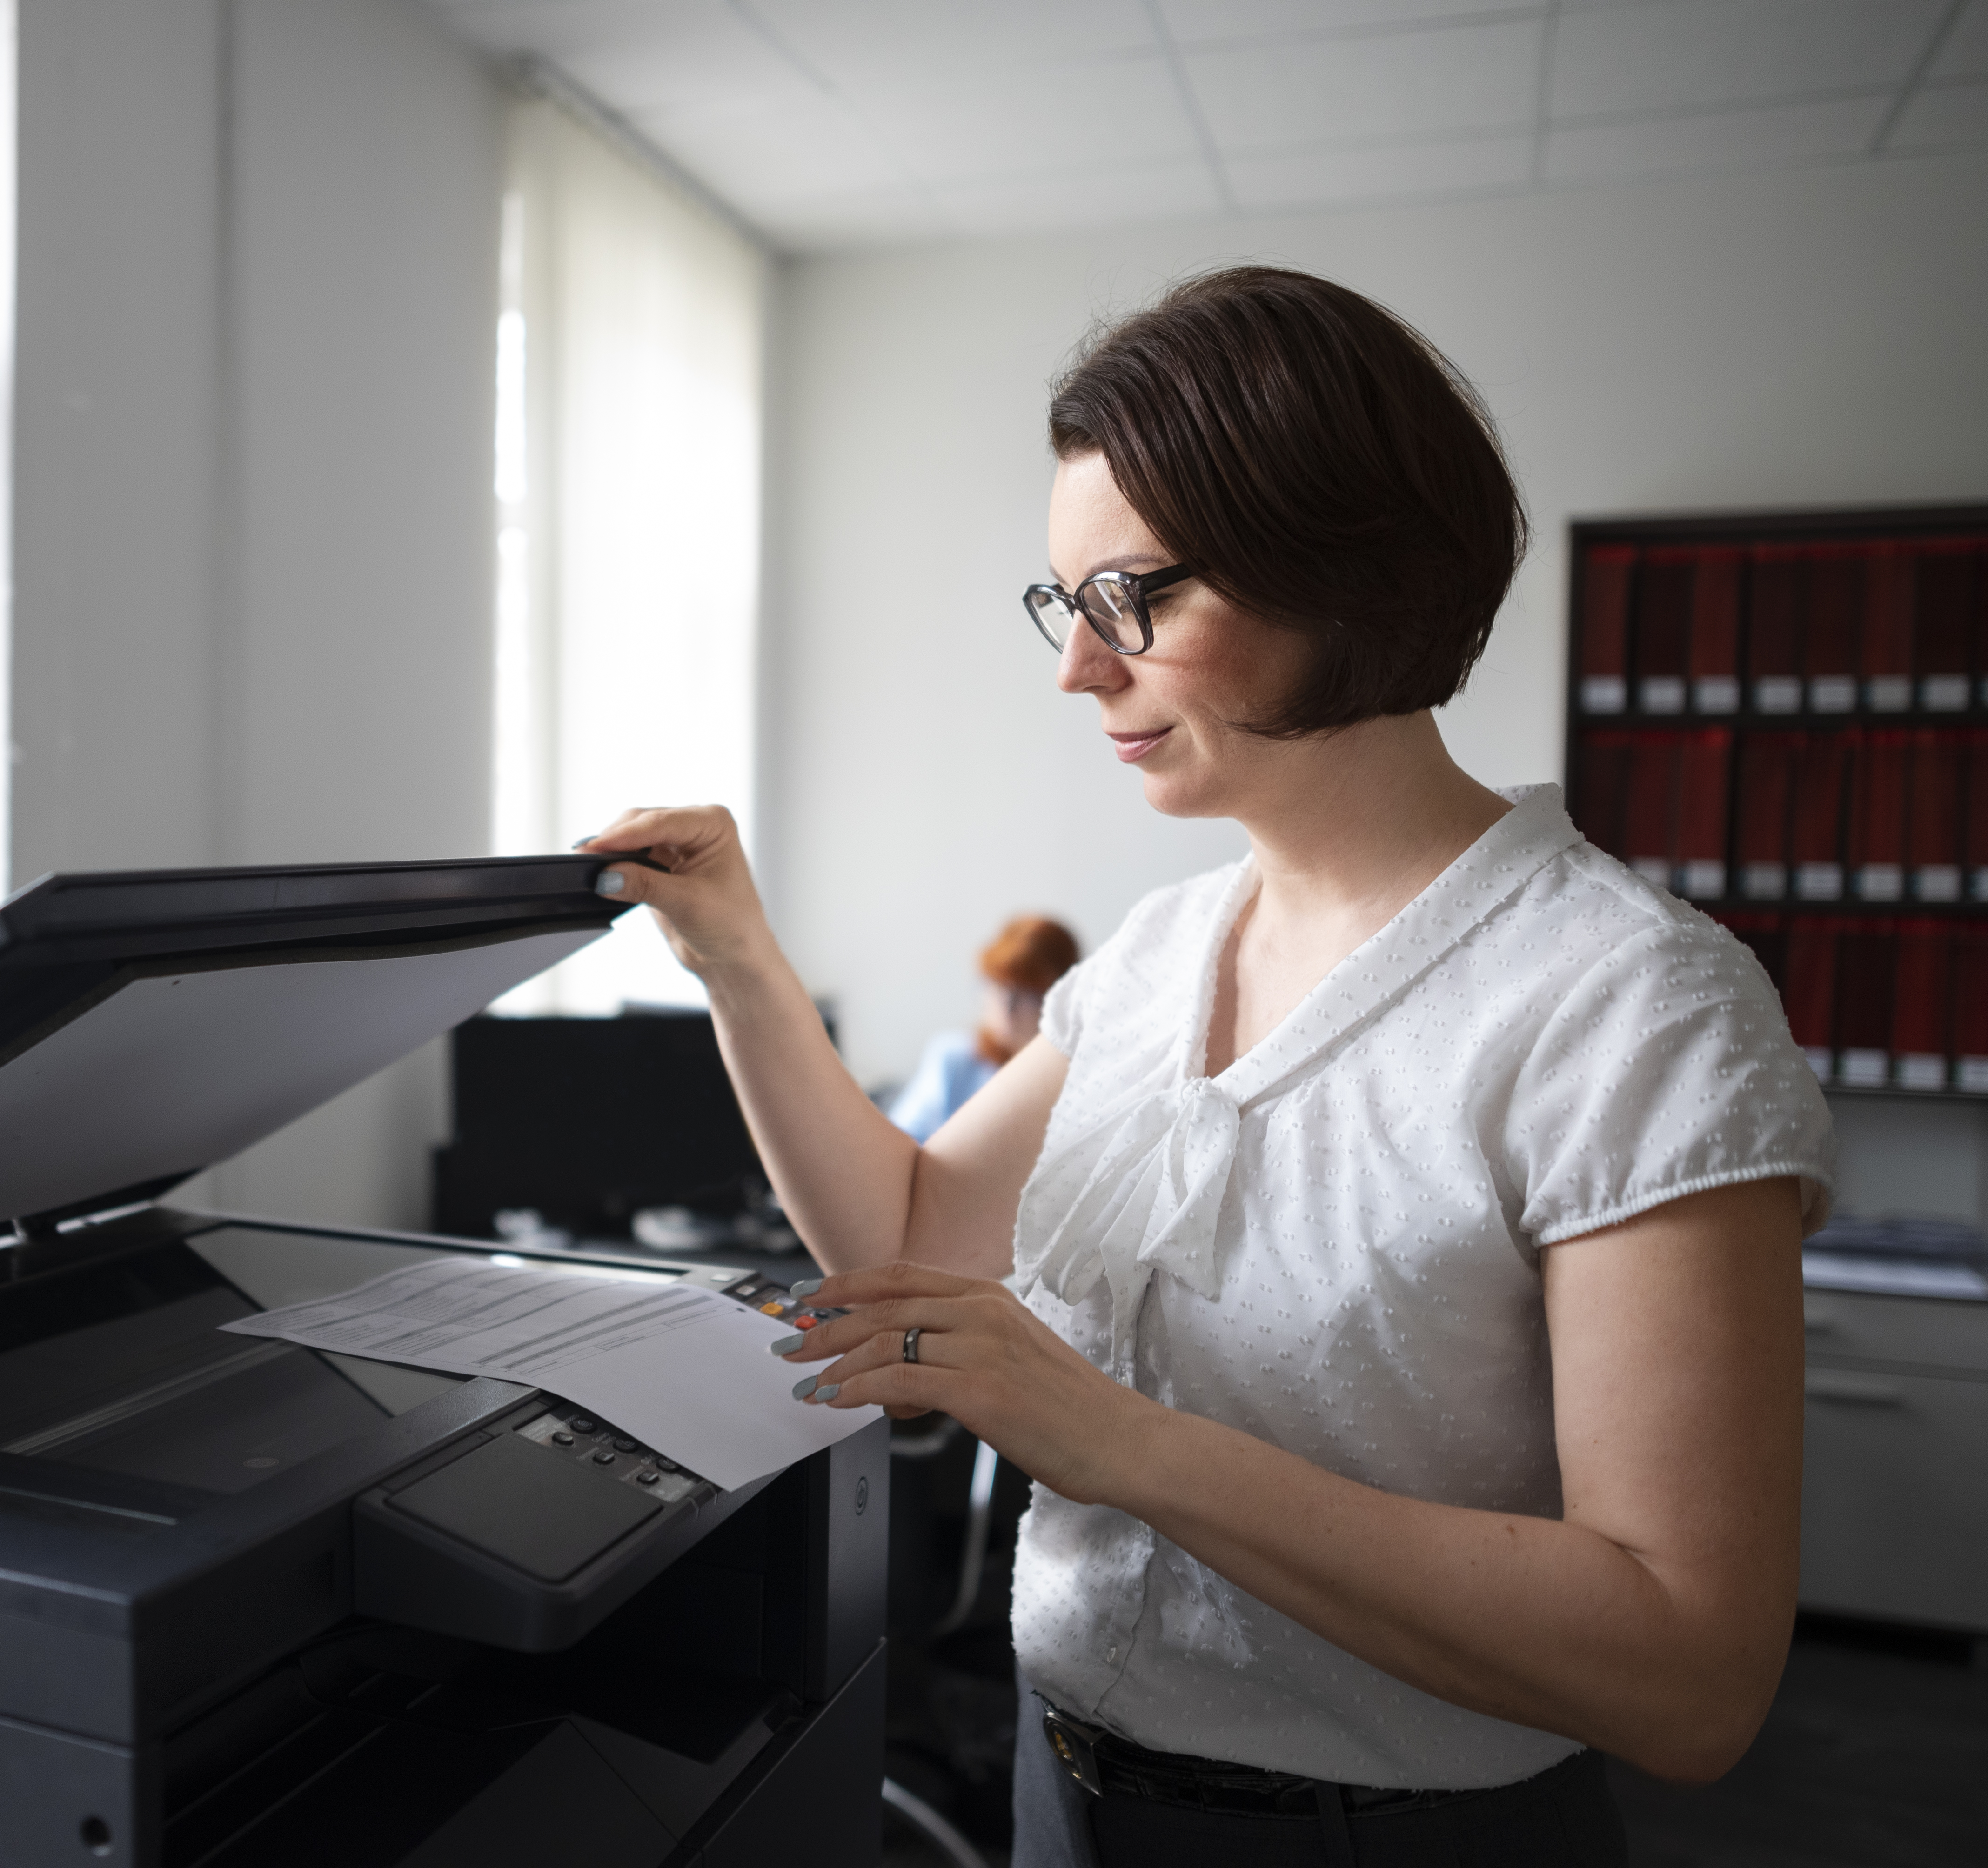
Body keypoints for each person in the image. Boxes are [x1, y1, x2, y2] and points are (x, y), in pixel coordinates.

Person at [581, 267, 1831, 1866]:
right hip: (1067, 1787)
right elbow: (913, 1237)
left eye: (1136, 603)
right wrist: (739, 963)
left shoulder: (1627, 1004)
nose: (1077, 670)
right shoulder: (1161, 950)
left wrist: (1120, 1440)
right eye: (1063, 604)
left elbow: (1687, 1674)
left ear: (1342, 570)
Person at [886, 916, 1081, 1142]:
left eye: (1027, 993)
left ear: (1061, 998)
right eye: (999, 986)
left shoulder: (1076, 1077)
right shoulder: (955, 1058)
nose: (1007, 1008)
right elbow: (900, 1143)